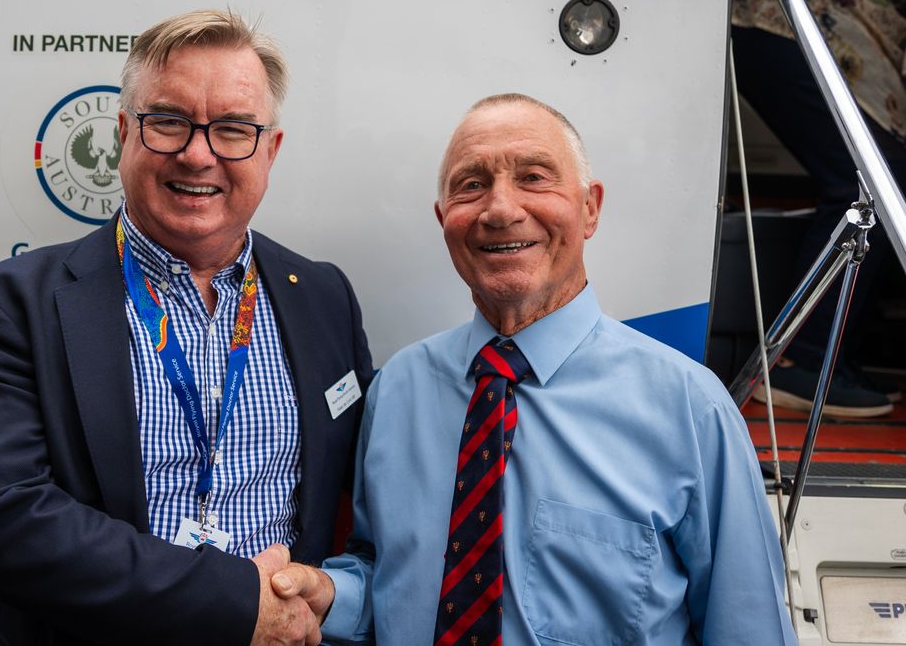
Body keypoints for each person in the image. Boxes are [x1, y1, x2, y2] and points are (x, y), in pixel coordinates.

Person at [272, 94, 796, 644]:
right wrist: (328, 596)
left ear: (590, 207)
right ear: (443, 219)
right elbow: (392, 580)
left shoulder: (690, 407)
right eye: (471, 185)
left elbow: (748, 627)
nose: (500, 209)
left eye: (534, 177)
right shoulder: (398, 389)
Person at [0, 9, 373, 645]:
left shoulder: (324, 296)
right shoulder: (8, 305)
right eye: (168, 122)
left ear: (270, 151)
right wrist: (231, 604)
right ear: (123, 135)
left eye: (232, 129)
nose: (199, 154)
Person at [731, 0, 906, 417]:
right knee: (869, 186)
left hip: (799, 17)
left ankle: (826, 358)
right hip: (788, 14)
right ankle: (801, 363)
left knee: (877, 180)